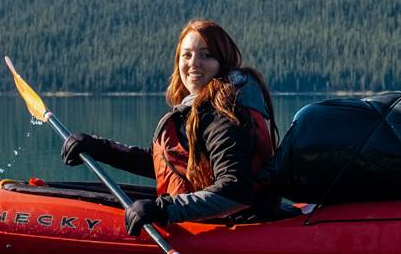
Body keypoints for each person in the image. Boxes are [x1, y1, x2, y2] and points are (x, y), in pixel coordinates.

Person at [59, 19, 279, 235]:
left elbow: (235, 192)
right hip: (215, 216)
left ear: (223, 62)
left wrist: (164, 210)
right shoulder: (203, 109)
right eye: (187, 55)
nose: (194, 63)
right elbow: (170, 164)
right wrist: (98, 148)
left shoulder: (226, 115)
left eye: (206, 55)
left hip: (237, 223)